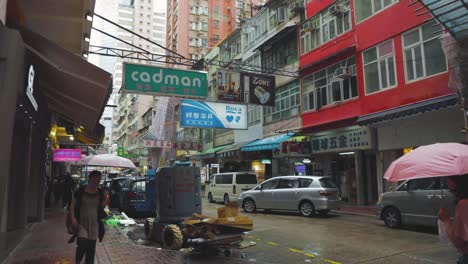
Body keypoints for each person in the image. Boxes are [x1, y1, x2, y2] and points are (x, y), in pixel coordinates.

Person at [69, 170, 108, 264]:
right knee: (82, 244)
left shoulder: (100, 192)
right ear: (90, 179)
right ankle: (78, 261)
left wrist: (106, 198)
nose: (97, 182)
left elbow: (102, 207)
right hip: (81, 223)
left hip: (94, 224)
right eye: (95, 180)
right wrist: (72, 218)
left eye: (99, 180)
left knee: (91, 249)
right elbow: (73, 205)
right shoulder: (81, 190)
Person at [438, 175, 468, 264]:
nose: (446, 182)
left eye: (449, 178)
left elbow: (459, 242)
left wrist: (446, 220)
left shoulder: (464, 204)